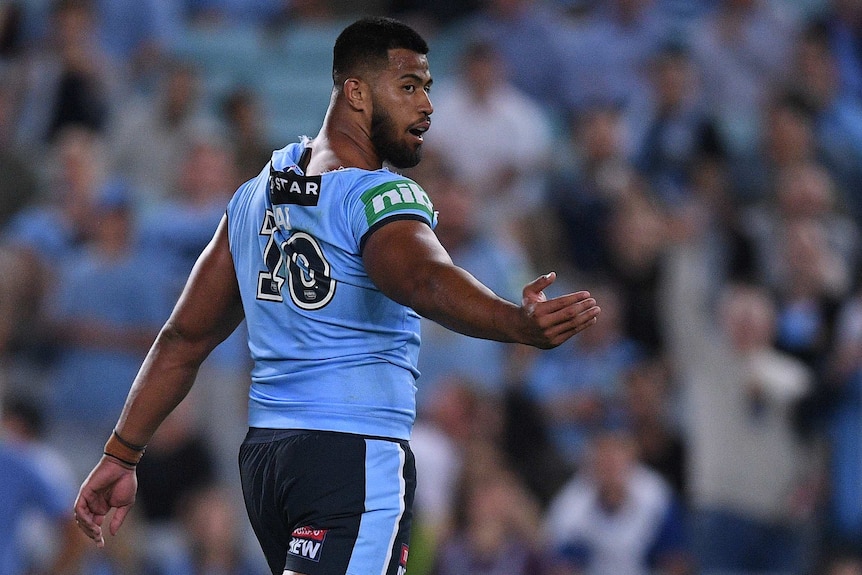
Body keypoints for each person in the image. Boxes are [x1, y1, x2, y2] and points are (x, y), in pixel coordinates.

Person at [73, 16, 601, 575]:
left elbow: (184, 337)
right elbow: (421, 277)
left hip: (269, 463)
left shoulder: (257, 195)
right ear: (355, 91)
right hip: (353, 455)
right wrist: (515, 324)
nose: (426, 105)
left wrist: (122, 452)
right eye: (408, 86)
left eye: (427, 88)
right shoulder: (380, 193)